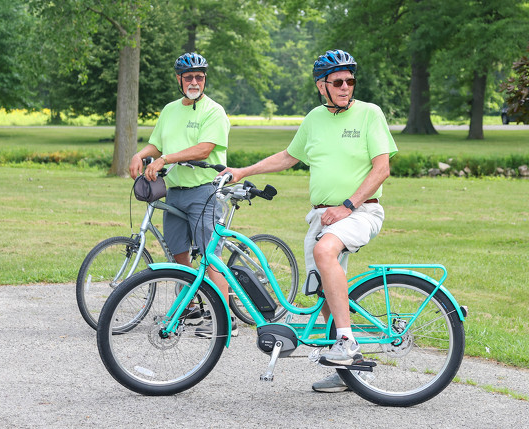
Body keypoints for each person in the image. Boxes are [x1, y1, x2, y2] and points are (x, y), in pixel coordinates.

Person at [222, 49, 398, 391]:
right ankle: (348, 370)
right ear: (322, 86)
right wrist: (244, 170)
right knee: (323, 291)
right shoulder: (315, 119)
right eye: (338, 82)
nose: (346, 87)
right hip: (323, 216)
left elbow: (382, 169)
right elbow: (289, 157)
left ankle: (346, 342)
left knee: (324, 253)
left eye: (350, 81)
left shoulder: (369, 114)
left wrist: (348, 205)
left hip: (361, 210)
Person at [129, 52, 237, 337]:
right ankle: (190, 307)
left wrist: (166, 159)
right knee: (177, 253)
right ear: (178, 79)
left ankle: (227, 320)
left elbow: (204, 149)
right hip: (175, 192)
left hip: (204, 191)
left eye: (199, 77)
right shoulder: (169, 110)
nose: (194, 82)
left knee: (210, 257)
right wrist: (140, 154)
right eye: (188, 77)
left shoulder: (214, 111)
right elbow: (156, 144)